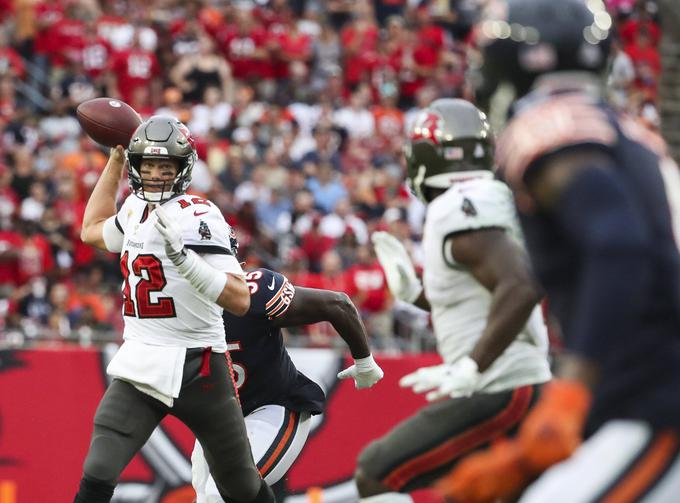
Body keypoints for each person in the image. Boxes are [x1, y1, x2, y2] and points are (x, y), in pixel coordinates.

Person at [438, 1, 680, 502]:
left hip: (661, 397)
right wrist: (531, 459)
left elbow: (619, 247)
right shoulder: (627, 134)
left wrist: (573, 389)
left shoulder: (549, 128)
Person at [353, 98, 552, 503]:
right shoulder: (484, 198)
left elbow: (522, 284)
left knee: (377, 472)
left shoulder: (458, 206)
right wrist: (416, 294)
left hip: (502, 383)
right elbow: (487, 293)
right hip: (511, 380)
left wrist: (471, 365)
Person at [75, 116, 274, 503]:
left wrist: (185, 263)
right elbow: (91, 229)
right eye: (146, 166)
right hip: (142, 359)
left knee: (240, 485)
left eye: (165, 167)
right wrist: (116, 159)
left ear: (183, 169)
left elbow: (239, 298)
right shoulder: (133, 207)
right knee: (98, 469)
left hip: (199, 364)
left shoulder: (199, 216)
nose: (154, 176)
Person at [191, 261, 385, 502]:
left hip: (274, 406)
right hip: (222, 418)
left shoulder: (254, 292)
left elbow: (338, 304)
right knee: (204, 494)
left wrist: (365, 361)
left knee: (217, 495)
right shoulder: (174, 307)